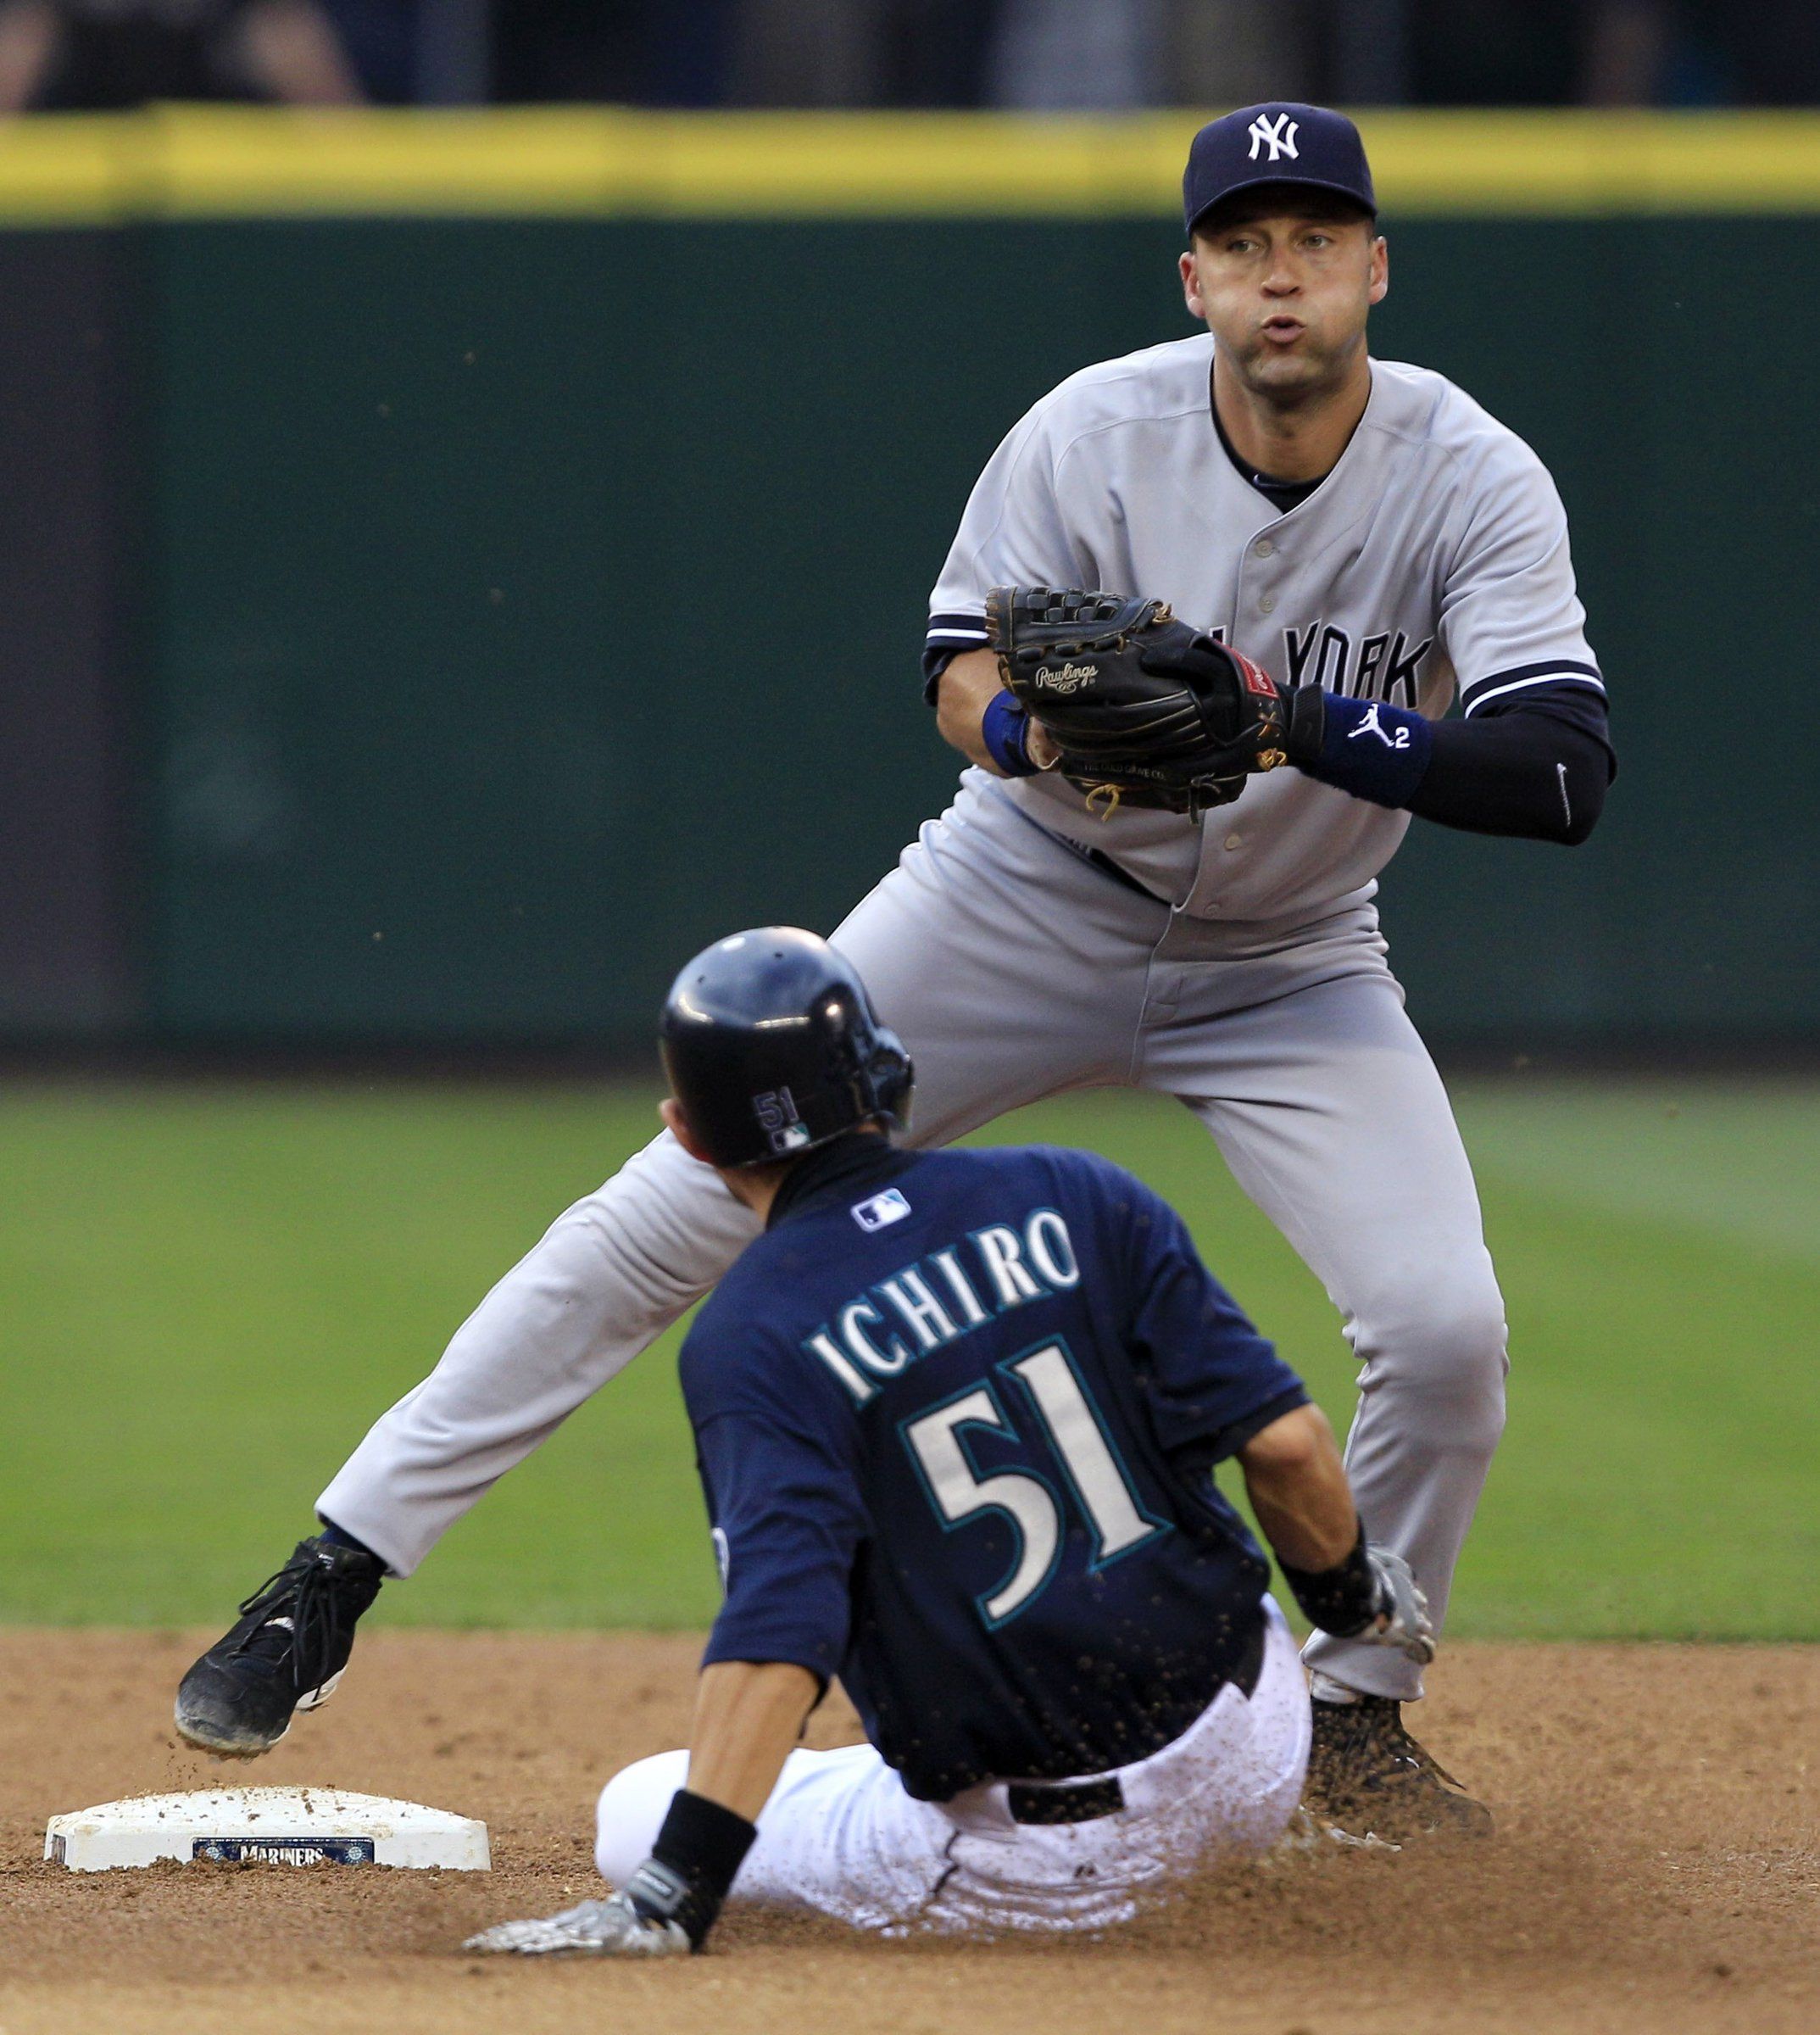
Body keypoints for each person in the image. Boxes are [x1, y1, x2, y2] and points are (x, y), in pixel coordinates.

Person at [175, 102, 1613, 1840]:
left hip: (1292, 957)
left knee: (1445, 1331)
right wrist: (1027, 730)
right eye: (1241, 244)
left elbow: (1553, 777)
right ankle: (327, 1577)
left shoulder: (1469, 474)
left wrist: (1281, 718)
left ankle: (1355, 1716)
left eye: (1312, 239)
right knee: (681, 1196)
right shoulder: (1089, 433)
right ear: (1192, 279)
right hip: (1027, 890)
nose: (1277, 274)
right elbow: (955, 673)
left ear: (1374, 269)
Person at [464, 928, 1435, 1956]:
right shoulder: (1074, 1192)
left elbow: (778, 1638)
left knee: (634, 1809)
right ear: (890, 1074)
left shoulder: (751, 1336)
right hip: (1258, 1747)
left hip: (1052, 1870)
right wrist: (1346, 1599)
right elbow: (1286, 1446)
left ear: (688, 1137)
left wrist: (673, 1896)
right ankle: (1260, 1831)